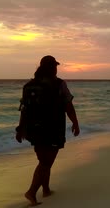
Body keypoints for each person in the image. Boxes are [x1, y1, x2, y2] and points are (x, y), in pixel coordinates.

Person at [15, 55, 80, 206]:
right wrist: (75, 123)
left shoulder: (29, 85)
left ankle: (46, 189)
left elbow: (24, 110)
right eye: (55, 66)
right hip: (52, 128)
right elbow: (68, 106)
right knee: (46, 162)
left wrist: (20, 129)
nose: (56, 69)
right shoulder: (59, 84)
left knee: (43, 160)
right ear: (51, 68)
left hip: (33, 129)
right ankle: (31, 192)